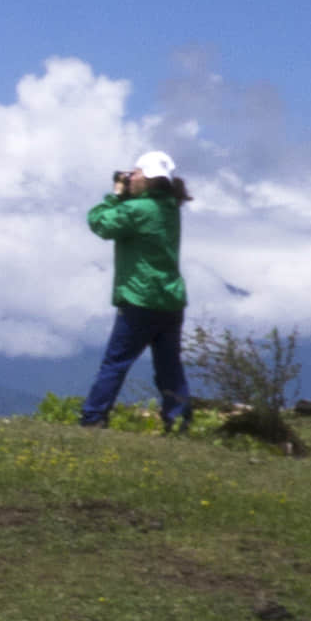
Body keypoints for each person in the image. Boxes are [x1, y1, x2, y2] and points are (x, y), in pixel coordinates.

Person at [77, 153, 192, 430]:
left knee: (115, 362)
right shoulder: (170, 207)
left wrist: (116, 194)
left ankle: (93, 417)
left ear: (149, 180)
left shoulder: (138, 209)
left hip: (141, 298)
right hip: (170, 300)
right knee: (169, 367)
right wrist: (129, 193)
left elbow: (101, 223)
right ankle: (178, 420)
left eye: (136, 172)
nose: (131, 176)